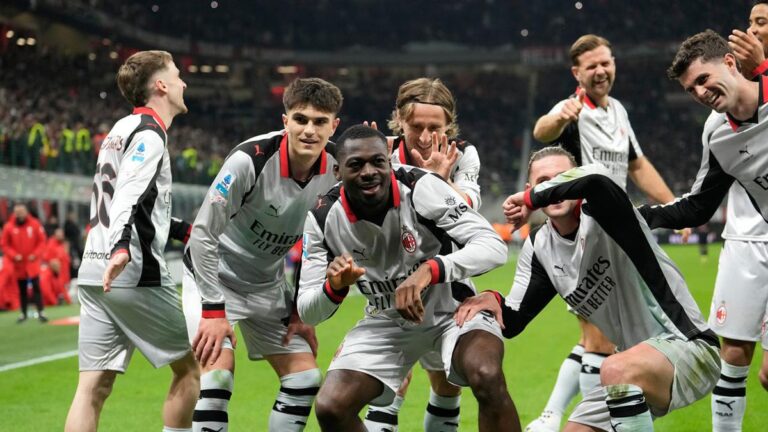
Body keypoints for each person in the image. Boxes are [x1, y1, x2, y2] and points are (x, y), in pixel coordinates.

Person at [460, 147, 720, 432]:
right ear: (529, 185)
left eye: (560, 179)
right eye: (543, 181)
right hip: (634, 367)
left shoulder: (606, 211)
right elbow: (513, 321)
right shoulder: (539, 247)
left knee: (614, 368)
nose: (553, 189)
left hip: (687, 346)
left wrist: (534, 198)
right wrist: (492, 298)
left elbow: (596, 178)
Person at [298, 125, 518, 432]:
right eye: (356, 165)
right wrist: (334, 287)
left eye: (378, 162)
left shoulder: (420, 186)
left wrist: (430, 270)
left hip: (451, 311)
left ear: (389, 162)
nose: (369, 172)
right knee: (331, 407)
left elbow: (493, 247)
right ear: (338, 171)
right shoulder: (322, 217)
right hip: (386, 321)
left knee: (486, 373)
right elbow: (308, 310)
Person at [527, 34, 680, 432]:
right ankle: (596, 422)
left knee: (602, 338)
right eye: (591, 65)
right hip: (582, 233)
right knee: (599, 338)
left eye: (605, 62)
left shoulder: (618, 111)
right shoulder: (572, 110)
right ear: (576, 73)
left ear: (614, 64)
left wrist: (674, 208)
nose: (600, 71)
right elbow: (542, 131)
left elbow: (637, 165)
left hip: (617, 234)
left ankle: (552, 416)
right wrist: (561, 117)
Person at [183, 77, 343, 432]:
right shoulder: (248, 160)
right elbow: (203, 234)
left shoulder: (339, 167)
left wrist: (301, 309)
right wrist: (213, 310)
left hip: (267, 283)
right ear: (285, 121)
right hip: (215, 279)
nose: (309, 130)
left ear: (334, 126)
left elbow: (321, 243)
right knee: (217, 379)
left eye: (320, 122)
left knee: (304, 379)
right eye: (300, 119)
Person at [64, 50, 198, 432]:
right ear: (161, 85)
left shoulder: (120, 129)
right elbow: (127, 197)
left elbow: (135, 202)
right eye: (177, 74)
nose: (183, 82)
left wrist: (182, 230)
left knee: (92, 388)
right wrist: (121, 247)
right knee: (192, 368)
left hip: (93, 269)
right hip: (131, 270)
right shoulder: (151, 134)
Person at [642, 28, 768, 432]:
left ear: (730, 62)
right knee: (732, 355)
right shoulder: (716, 133)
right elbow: (698, 205)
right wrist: (639, 215)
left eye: (702, 79)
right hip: (754, 243)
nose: (699, 92)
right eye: (690, 88)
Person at [363, 77, 482, 432]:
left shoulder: (463, 154)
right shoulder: (379, 153)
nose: (426, 137)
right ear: (400, 120)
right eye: (416, 126)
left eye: (435, 127)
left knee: (446, 384)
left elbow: (469, 210)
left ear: (449, 125)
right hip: (391, 282)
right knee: (387, 384)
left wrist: (437, 182)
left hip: (444, 283)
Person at [1, 203, 47, 323]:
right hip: (19, 264)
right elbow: (4, 244)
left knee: (36, 287)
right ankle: (23, 313)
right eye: (17, 211)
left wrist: (35, 254)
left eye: (21, 211)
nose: (19, 214)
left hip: (32, 263)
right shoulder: (9, 227)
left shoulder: (35, 224)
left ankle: (41, 312)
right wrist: (14, 255)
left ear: (26, 212)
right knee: (22, 289)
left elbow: (42, 241)